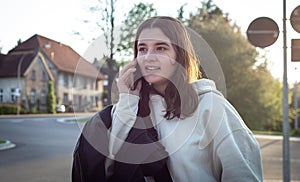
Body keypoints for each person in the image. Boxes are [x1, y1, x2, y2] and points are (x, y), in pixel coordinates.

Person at [72, 16, 263, 182]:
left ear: (179, 56)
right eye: (142, 49)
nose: (149, 57)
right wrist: (126, 102)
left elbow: (243, 173)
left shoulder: (210, 106)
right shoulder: (131, 107)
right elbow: (108, 168)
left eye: (161, 48)